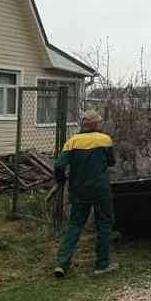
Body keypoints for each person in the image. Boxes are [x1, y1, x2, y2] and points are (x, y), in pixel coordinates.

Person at [53, 110, 117, 278]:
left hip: (79, 190)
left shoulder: (72, 142)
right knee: (104, 223)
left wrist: (61, 179)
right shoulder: (105, 140)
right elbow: (111, 162)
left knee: (74, 225)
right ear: (96, 124)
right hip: (101, 190)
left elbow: (59, 165)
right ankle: (102, 265)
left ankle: (61, 264)